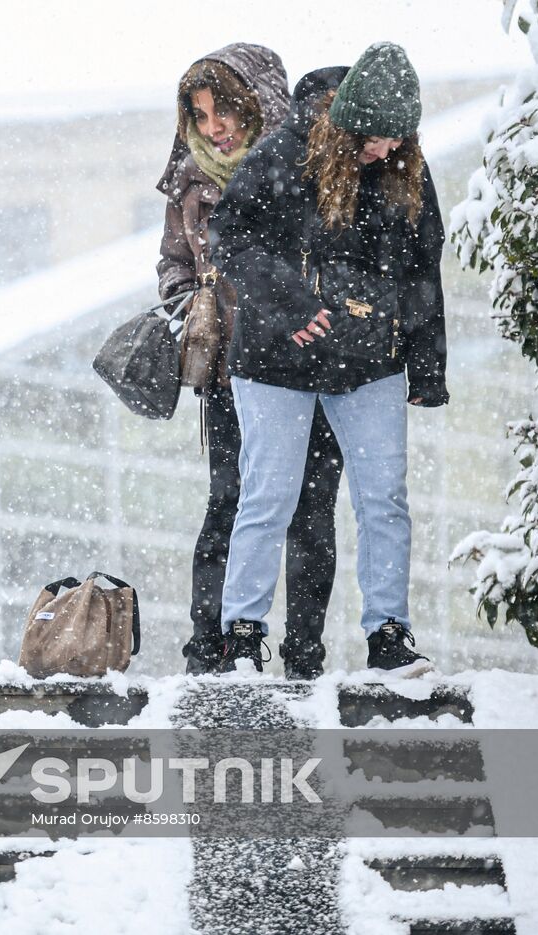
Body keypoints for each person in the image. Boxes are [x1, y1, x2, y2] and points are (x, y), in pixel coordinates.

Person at [209, 43, 447, 677]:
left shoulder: (404, 167)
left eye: (399, 141)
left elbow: (424, 267)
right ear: (347, 124)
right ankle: (241, 636)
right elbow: (228, 239)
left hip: (370, 364)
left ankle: (389, 636)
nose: (385, 152)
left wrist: (426, 365)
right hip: (275, 361)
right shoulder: (284, 153)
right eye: (374, 140)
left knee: (384, 500)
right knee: (269, 496)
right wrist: (292, 305)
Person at [156, 44, 343, 679]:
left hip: (310, 365)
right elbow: (174, 263)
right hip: (234, 373)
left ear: (259, 103)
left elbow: (337, 254)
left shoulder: (309, 167)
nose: (216, 128)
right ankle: (212, 648)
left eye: (226, 110)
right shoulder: (189, 180)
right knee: (230, 503)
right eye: (202, 115)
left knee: (310, 509)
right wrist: (190, 304)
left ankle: (304, 655)